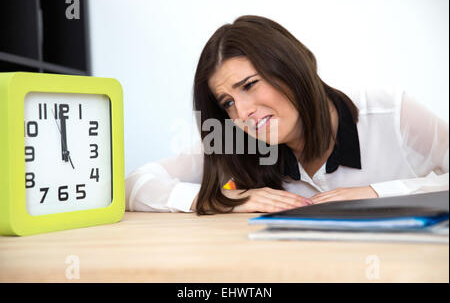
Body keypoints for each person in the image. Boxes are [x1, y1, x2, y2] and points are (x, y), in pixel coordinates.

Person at [125, 15, 449, 215]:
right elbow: (135, 185)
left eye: (250, 85)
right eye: (227, 102)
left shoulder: (391, 113)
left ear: (290, 68)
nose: (243, 112)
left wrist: (377, 193)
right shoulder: (235, 142)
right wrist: (228, 199)